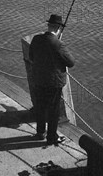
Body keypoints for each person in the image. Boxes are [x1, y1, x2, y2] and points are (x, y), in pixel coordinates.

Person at [29, 14, 75, 145]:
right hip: (54, 83)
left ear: (49, 26)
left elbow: (32, 56)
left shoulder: (36, 39)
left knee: (41, 107)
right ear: (59, 28)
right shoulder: (58, 44)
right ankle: (51, 137)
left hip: (38, 79)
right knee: (54, 111)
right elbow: (71, 62)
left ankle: (40, 132)